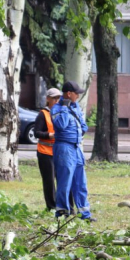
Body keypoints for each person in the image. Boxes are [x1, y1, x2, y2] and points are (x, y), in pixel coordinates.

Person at [51, 80, 94, 221]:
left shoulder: (75, 107)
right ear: (69, 94)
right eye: (76, 94)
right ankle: (62, 213)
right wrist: (64, 107)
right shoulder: (56, 109)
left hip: (76, 147)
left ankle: (84, 214)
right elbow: (61, 125)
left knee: (80, 183)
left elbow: (84, 126)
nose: (78, 96)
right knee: (65, 182)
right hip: (64, 148)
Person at [33, 87, 63, 211]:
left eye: (58, 98)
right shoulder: (43, 114)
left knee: (61, 179)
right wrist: (48, 135)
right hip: (45, 153)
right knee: (49, 181)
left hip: (58, 152)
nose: (56, 100)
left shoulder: (61, 112)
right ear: (48, 99)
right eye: (54, 98)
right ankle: (51, 206)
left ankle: (61, 205)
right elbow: (36, 133)